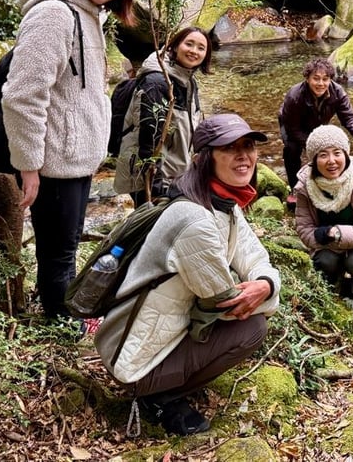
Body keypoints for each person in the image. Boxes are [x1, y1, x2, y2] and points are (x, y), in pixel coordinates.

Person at [95, 113, 280, 436]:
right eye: (229, 148)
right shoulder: (194, 221)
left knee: (250, 313)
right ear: (204, 159)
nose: (244, 156)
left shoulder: (222, 203)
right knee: (251, 328)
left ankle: (169, 382)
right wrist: (261, 296)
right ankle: (157, 397)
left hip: (153, 337)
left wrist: (265, 284)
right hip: (135, 359)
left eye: (248, 146)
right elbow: (224, 303)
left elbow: (254, 256)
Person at [2, 0, 137, 320]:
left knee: (65, 248)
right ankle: (61, 329)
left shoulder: (89, 14)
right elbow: (23, 95)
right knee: (58, 255)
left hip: (74, 159)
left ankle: (63, 319)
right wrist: (29, 165)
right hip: (53, 162)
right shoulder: (55, 14)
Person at [294, 126, 353, 311]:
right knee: (325, 261)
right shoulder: (305, 187)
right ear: (313, 160)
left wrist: (336, 233)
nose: (331, 161)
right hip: (329, 246)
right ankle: (334, 279)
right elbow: (304, 230)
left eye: (337, 153)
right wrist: (328, 237)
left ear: (345, 155)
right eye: (323, 155)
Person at [114, 26, 213, 205]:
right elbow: (148, 139)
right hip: (154, 180)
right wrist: (155, 187)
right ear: (174, 46)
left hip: (177, 176)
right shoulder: (157, 82)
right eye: (189, 44)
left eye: (201, 48)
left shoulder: (188, 82)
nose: (194, 51)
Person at [278, 58, 353, 206]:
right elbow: (293, 129)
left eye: (325, 79)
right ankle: (294, 188)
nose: (321, 83)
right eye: (316, 79)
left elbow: (348, 117)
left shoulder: (338, 92)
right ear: (307, 78)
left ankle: (324, 185)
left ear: (330, 79)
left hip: (317, 123)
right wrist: (313, 145)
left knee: (326, 152)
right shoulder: (294, 96)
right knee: (292, 149)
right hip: (291, 124)